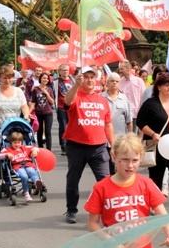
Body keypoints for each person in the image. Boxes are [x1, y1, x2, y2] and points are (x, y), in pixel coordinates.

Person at [62, 66, 115, 224]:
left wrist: (113, 145)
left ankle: (107, 212)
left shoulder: (102, 100)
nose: (90, 80)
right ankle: (71, 210)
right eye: (86, 77)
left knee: (105, 181)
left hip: (99, 147)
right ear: (80, 78)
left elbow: (108, 125)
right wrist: (76, 85)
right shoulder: (75, 95)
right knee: (73, 180)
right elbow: (66, 102)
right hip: (76, 146)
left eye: (92, 77)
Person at [137, 73, 169, 212]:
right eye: (167, 85)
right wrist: (152, 134)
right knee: (156, 177)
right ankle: (155, 207)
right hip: (157, 146)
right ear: (159, 87)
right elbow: (140, 122)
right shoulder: (151, 104)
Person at [0, 131, 42, 202]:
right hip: (18, 166)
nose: (17, 144)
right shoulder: (8, 149)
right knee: (24, 176)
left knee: (31, 172)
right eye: (15, 142)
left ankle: (37, 182)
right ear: (11, 142)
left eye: (19, 142)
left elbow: (35, 148)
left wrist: (35, 151)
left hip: (28, 164)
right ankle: (26, 193)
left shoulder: (25, 148)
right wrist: (6, 155)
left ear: (22, 142)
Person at [102, 73, 132, 175]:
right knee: (105, 167)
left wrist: (130, 137)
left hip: (119, 140)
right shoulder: (100, 97)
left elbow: (129, 121)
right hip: (103, 139)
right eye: (112, 81)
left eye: (117, 81)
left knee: (118, 165)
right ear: (107, 83)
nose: (114, 83)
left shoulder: (124, 99)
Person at [29, 72, 55, 151]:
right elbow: (33, 102)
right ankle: (40, 148)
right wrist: (29, 112)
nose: (45, 80)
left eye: (47, 78)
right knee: (39, 131)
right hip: (38, 112)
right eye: (44, 78)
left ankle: (48, 149)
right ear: (40, 79)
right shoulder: (35, 89)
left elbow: (52, 102)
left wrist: (47, 93)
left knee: (48, 131)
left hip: (48, 112)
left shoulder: (49, 89)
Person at [118, 61, 145, 132]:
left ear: (128, 68)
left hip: (135, 114)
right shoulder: (120, 82)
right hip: (123, 114)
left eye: (122, 69)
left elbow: (143, 97)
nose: (120, 71)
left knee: (133, 136)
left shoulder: (139, 81)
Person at [56, 64, 73, 155]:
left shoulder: (73, 80)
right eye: (63, 70)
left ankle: (71, 144)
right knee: (63, 126)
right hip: (61, 106)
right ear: (60, 71)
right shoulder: (56, 81)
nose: (65, 72)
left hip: (71, 107)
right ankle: (63, 145)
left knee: (72, 126)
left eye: (66, 70)